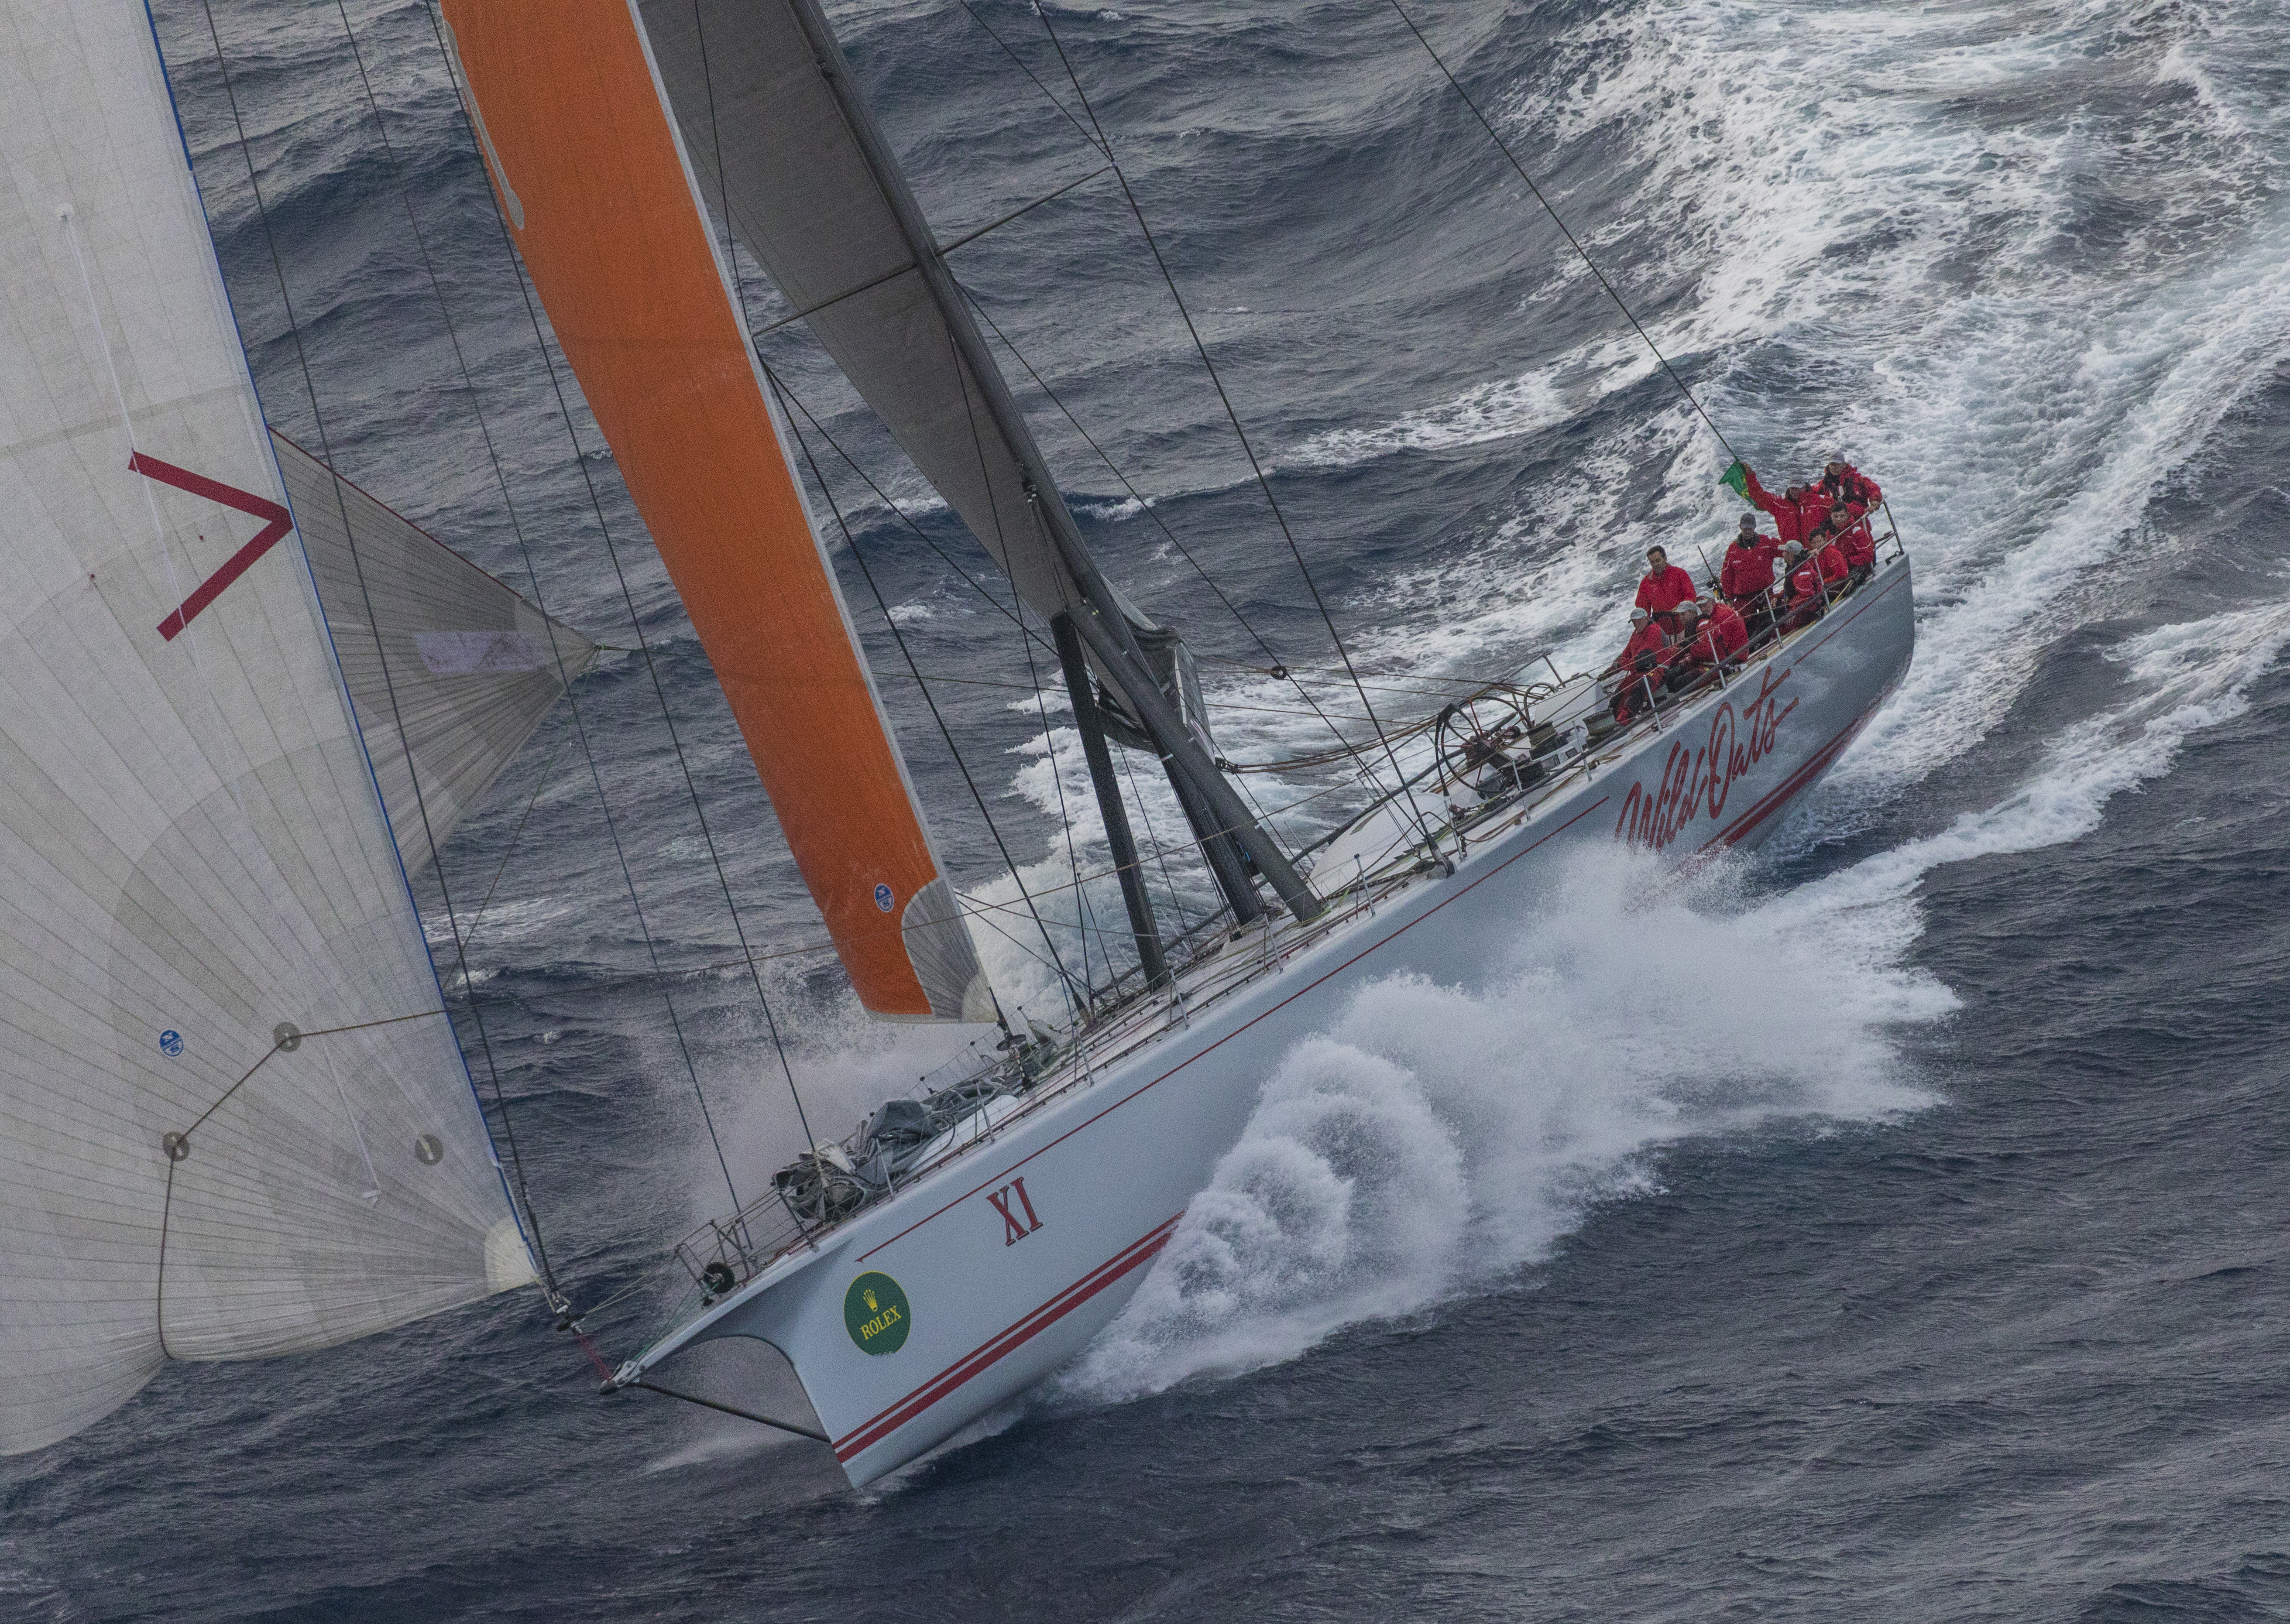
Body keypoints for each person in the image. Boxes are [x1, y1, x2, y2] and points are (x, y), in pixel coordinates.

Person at [1720, 514, 1781, 603]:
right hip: (1744, 598)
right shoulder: (1733, 549)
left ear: (1755, 527)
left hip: (1766, 593)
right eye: (1745, 529)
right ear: (1740, 527)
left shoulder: (1767, 542)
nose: (1747, 532)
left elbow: (1785, 550)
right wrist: (1729, 597)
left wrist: (1802, 553)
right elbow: (1727, 575)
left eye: (1750, 529)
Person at [1634, 546, 1699, 627]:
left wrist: (1680, 609)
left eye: (1658, 561)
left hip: (1686, 625)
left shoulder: (1679, 573)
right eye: (1652, 562)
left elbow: (1691, 596)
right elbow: (1642, 611)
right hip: (1663, 631)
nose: (1656, 565)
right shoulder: (1646, 583)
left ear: (1665, 558)